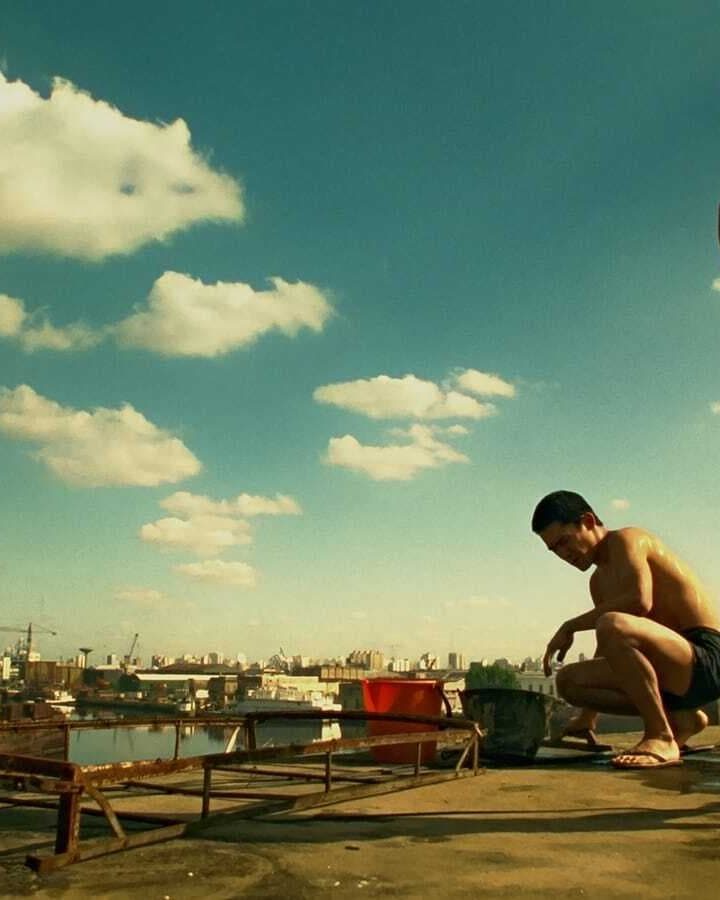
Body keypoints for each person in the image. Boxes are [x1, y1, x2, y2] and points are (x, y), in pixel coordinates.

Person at [532, 490, 720, 769]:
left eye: (564, 541)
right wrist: (587, 717)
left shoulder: (627, 539)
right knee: (569, 681)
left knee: (612, 623)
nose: (563, 554)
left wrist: (570, 627)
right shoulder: (598, 582)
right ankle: (683, 719)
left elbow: (639, 601)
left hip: (705, 658)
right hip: (671, 671)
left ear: (588, 521)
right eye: (554, 550)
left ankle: (660, 735)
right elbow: (611, 647)